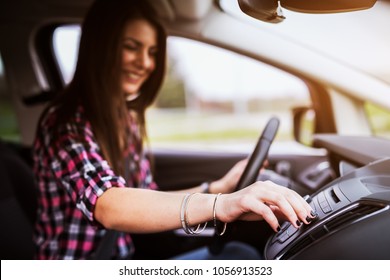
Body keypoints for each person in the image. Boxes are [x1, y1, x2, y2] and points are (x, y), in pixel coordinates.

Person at [32, 0, 316, 260]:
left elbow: (147, 198)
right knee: (239, 257)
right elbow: (108, 204)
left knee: (238, 253)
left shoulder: (125, 120)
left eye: (152, 52)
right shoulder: (65, 123)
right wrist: (222, 203)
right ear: (100, 47)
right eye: (132, 47)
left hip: (126, 258)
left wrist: (218, 187)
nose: (145, 63)